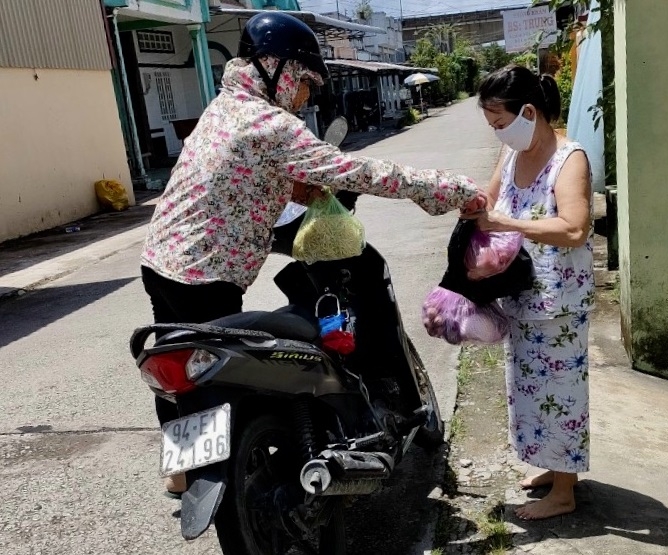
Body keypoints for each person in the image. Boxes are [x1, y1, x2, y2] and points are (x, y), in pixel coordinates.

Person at [140, 12, 486, 496]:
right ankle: (252, 469)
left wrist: (305, 191)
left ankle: (183, 471)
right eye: (303, 81)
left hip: (160, 261)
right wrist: (448, 190)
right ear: (274, 67)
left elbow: (245, 180)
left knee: (187, 376)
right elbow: (356, 170)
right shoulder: (269, 122)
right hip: (207, 272)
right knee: (223, 381)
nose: (305, 95)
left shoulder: (225, 107)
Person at [475, 65, 595, 520]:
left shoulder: (570, 158)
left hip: (558, 303)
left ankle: (564, 492)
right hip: (520, 297)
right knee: (530, 389)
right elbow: (488, 202)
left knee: (562, 393)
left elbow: (575, 228)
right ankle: (553, 467)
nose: (498, 135)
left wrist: (508, 223)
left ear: (529, 111)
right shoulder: (511, 156)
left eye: (501, 124)